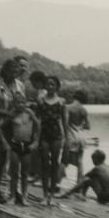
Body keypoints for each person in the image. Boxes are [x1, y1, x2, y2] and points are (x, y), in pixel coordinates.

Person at [0, 59, 26, 204]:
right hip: (3, 126)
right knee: (2, 158)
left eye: (16, 71)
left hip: (19, 126)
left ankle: (14, 190)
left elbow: (23, 103)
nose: (14, 73)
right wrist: (7, 113)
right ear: (5, 71)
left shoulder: (20, 85)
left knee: (16, 160)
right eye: (11, 71)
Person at [0, 93, 40, 206]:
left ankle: (24, 197)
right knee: (14, 172)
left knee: (25, 173)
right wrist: (5, 143)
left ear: (25, 103)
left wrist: (36, 141)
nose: (20, 105)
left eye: (22, 102)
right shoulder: (12, 115)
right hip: (15, 145)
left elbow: (38, 125)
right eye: (18, 103)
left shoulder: (29, 113)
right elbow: (0, 129)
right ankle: (12, 196)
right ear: (14, 104)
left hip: (27, 145)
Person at [37, 76, 67, 205]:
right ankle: (44, 195)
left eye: (53, 85)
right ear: (45, 86)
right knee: (44, 163)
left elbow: (65, 121)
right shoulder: (41, 100)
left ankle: (52, 196)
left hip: (56, 135)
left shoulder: (61, 102)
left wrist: (67, 138)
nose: (50, 87)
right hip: (44, 134)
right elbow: (37, 119)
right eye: (48, 84)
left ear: (57, 87)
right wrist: (35, 137)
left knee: (55, 164)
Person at [60, 89, 90, 186]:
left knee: (64, 161)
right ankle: (79, 184)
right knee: (80, 161)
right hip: (81, 137)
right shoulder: (84, 110)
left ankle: (57, 184)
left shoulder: (68, 107)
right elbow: (88, 126)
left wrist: (64, 136)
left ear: (74, 97)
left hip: (70, 136)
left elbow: (65, 122)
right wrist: (79, 127)